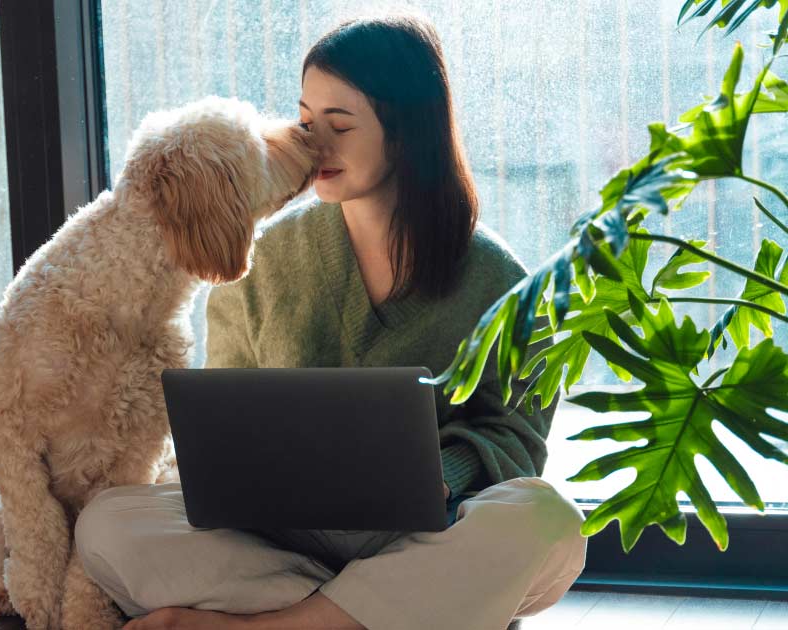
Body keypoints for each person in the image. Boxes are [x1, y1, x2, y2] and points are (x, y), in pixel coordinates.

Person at [75, 11, 587, 630]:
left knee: (547, 521)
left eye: (340, 125)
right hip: (278, 540)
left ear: (405, 132)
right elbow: (222, 428)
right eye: (307, 121)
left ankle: (274, 624)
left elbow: (518, 439)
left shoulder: (499, 278)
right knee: (107, 523)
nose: (316, 144)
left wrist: (439, 477)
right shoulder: (258, 261)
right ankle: (381, 612)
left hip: (420, 535)